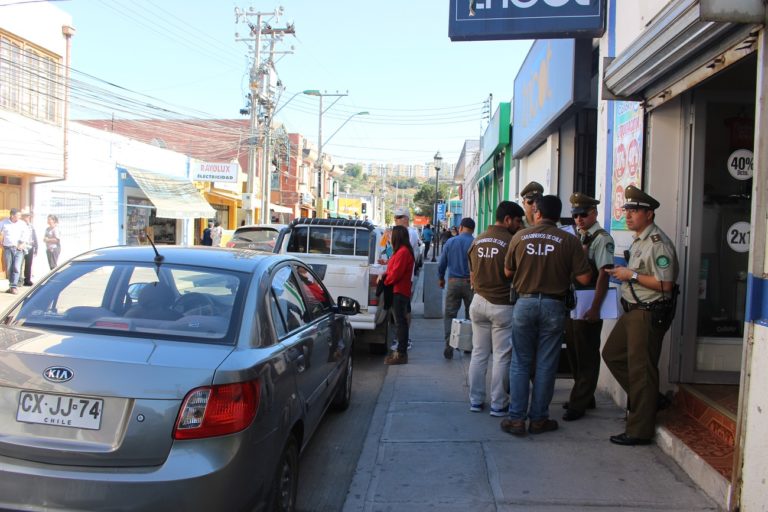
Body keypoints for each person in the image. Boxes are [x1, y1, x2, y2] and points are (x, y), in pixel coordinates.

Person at [502, 195, 592, 436]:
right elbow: (584, 278)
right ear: (558, 215)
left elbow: (508, 271)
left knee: (520, 362)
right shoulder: (569, 240)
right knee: (546, 364)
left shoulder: (520, 236)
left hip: (525, 303)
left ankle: (516, 419)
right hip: (554, 306)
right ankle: (539, 419)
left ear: (537, 213)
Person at [603, 185, 679, 446]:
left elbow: (665, 285)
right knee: (612, 355)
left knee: (641, 371)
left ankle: (639, 430)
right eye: (627, 210)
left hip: (648, 312)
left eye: (634, 210)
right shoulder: (639, 240)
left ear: (649, 214)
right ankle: (651, 400)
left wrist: (631, 275)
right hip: (632, 309)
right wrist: (622, 274)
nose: (628, 215)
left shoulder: (658, 243)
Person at [467, 201, 524, 417]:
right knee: (501, 356)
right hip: (502, 305)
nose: (520, 226)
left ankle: (475, 400)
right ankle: (498, 404)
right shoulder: (512, 242)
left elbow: (471, 273)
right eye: (518, 221)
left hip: (478, 301)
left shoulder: (478, 240)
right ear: (508, 219)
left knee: (479, 353)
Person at [562, 193, 615, 422]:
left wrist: (595, 308)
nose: (579, 219)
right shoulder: (578, 236)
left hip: (589, 301)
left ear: (593, 213)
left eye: (583, 214)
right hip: (574, 302)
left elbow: (603, 274)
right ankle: (584, 395)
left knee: (587, 354)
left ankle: (579, 403)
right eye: (575, 215)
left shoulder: (601, 239)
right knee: (573, 351)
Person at [438, 217, 475, 359]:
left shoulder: (450, 242)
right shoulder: (475, 242)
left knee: (450, 314)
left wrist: (441, 278)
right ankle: (467, 346)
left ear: (461, 227)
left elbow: (442, 263)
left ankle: (449, 345)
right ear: (472, 229)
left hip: (453, 282)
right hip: (470, 284)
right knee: (470, 315)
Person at [381, 225, 415, 365]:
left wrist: (385, 280)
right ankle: (401, 352)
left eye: (391, 235)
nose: (390, 237)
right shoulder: (401, 251)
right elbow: (393, 268)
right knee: (400, 322)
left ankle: (401, 353)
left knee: (400, 323)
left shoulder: (403, 252)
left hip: (399, 291)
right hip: (399, 290)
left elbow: (396, 273)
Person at [393, 207, 421, 350]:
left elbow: (401, 254)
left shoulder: (410, 233)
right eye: (395, 217)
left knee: (404, 311)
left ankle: (404, 339)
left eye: (399, 217)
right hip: (401, 276)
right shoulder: (397, 232)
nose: (396, 220)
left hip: (405, 278)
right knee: (400, 312)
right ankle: (401, 337)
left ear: (406, 218)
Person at [1, 208, 28, 294]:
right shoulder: (4, 223)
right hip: (8, 248)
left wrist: (23, 243)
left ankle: (14, 286)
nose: (20, 217)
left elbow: (27, 234)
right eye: (18, 215)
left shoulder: (22, 224)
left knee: (16, 267)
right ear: (12, 216)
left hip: (18, 249)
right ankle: (11, 285)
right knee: (9, 268)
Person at [20, 210, 37, 286]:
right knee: (19, 264)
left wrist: (36, 246)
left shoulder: (31, 225)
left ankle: (27, 280)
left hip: (30, 246)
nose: (27, 217)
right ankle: (19, 280)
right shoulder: (19, 225)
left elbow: (34, 236)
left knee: (29, 264)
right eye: (25, 216)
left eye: (28, 216)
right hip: (22, 246)